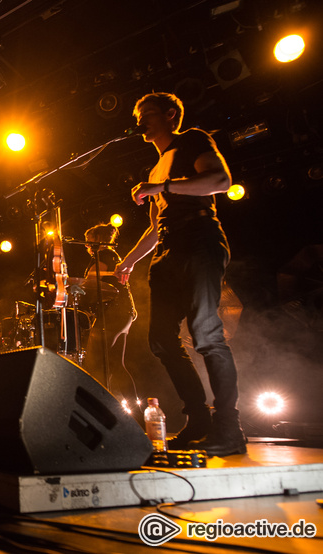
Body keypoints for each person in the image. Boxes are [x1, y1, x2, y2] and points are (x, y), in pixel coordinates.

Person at [114, 92, 245, 457]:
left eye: (149, 114)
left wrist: (164, 187)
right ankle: (199, 420)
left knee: (205, 332)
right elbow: (157, 228)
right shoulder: (153, 171)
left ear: (171, 115)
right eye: (138, 115)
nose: (141, 121)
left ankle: (229, 429)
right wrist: (130, 260)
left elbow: (219, 180)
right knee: (161, 339)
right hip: (170, 250)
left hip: (200, 239)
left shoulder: (193, 140)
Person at [76, 224, 137, 395]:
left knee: (96, 361)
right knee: (116, 365)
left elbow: (92, 279)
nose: (86, 246)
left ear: (98, 239)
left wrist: (69, 283)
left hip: (114, 313)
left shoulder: (103, 254)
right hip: (124, 313)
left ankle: (100, 406)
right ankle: (136, 413)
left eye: (89, 241)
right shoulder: (113, 255)